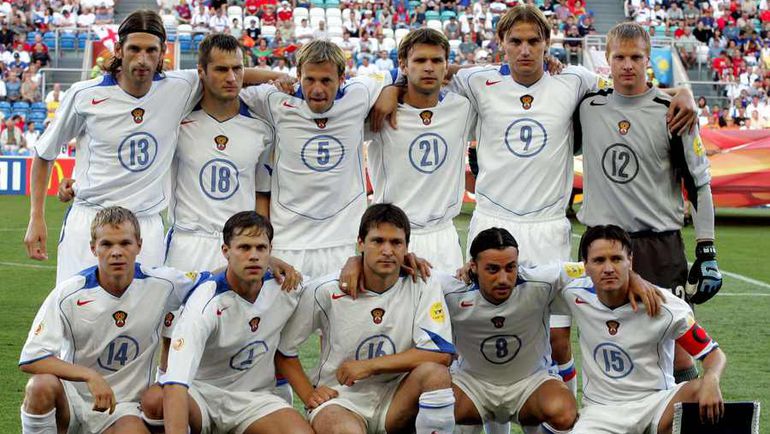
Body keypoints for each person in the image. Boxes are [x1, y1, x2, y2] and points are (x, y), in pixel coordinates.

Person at [24, 9, 289, 284]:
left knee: (146, 309)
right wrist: (36, 217)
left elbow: (228, 72)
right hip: (91, 219)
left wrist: (286, 79)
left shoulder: (179, 87)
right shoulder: (84, 95)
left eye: (151, 50)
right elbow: (44, 153)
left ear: (163, 52)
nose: (143, 59)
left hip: (145, 225)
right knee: (78, 304)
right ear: (119, 49)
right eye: (134, 49)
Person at [575, 22, 721, 384]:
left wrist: (707, 251)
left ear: (648, 59)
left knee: (677, 346)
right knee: (610, 339)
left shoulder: (674, 112)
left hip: (659, 245)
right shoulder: (588, 107)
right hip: (603, 246)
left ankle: (684, 409)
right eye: (619, 57)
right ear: (606, 59)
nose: (628, 65)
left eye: (636, 57)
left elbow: (699, 184)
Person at [18, 206, 207, 434]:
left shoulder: (163, 283)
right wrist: (90, 376)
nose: (116, 252)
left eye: (125, 243)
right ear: (93, 248)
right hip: (74, 400)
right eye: (107, 244)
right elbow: (32, 357)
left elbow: (213, 280)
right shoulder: (69, 294)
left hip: (125, 407)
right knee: (40, 386)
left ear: (139, 245)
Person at [276, 203, 457, 434]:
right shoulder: (326, 290)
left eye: (396, 243)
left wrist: (369, 366)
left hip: (395, 397)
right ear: (360, 243)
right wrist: (309, 394)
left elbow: (440, 354)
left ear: (407, 247)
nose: (387, 250)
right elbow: (284, 350)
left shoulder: (422, 283)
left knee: (436, 375)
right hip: (340, 398)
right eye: (378, 241)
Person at [139, 212, 313, 434]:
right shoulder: (205, 300)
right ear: (225, 251)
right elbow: (176, 382)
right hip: (201, 394)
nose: (253, 256)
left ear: (271, 251)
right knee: (156, 401)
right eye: (244, 248)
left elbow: (328, 289)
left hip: (255, 399)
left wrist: (353, 263)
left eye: (261, 248)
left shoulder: (287, 287)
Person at [242, 40, 393, 278]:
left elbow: (402, 73)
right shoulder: (276, 99)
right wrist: (276, 76)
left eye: (326, 80)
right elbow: (229, 79)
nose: (317, 89)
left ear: (341, 78)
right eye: (309, 79)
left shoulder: (359, 93)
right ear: (298, 75)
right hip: (288, 241)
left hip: (340, 241)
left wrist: (390, 91)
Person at [564, 225, 726, 434]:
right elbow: (535, 277)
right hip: (601, 411)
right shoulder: (573, 293)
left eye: (616, 259)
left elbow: (712, 354)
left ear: (630, 261)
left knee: (698, 389)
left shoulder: (665, 305)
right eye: (599, 260)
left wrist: (712, 379)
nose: (608, 268)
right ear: (585, 265)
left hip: (656, 404)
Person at [367, 28, 474, 273]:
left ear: (446, 67)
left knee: (445, 299)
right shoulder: (379, 111)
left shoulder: (462, 107)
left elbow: (500, 75)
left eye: (436, 61)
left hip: (444, 236)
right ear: (403, 66)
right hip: (393, 236)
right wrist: (390, 88)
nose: (428, 67)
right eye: (420, 60)